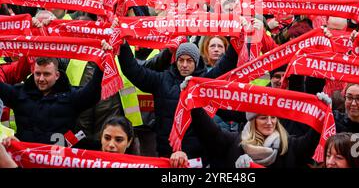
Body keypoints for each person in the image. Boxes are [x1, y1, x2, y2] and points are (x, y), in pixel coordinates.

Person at [117, 39, 238, 163]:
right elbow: (134, 71)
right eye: (181, 60)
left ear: (196, 62)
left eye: (189, 60)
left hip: (197, 156)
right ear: (176, 60)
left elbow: (226, 64)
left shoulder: (205, 82)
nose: (184, 65)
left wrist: (238, 41)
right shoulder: (161, 80)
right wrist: (124, 45)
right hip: (166, 155)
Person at [187, 92, 329, 168]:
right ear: (252, 120)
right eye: (262, 118)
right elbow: (209, 133)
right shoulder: (234, 142)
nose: (269, 123)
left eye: (273, 118)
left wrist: (322, 112)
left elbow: (312, 140)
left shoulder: (290, 145)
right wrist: (193, 102)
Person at [0, 56, 103, 145]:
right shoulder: (19, 93)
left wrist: (102, 59)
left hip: (58, 161)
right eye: (37, 74)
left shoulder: (71, 96)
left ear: (57, 75)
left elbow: (92, 91)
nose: (41, 79)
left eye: (46, 74)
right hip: (23, 160)